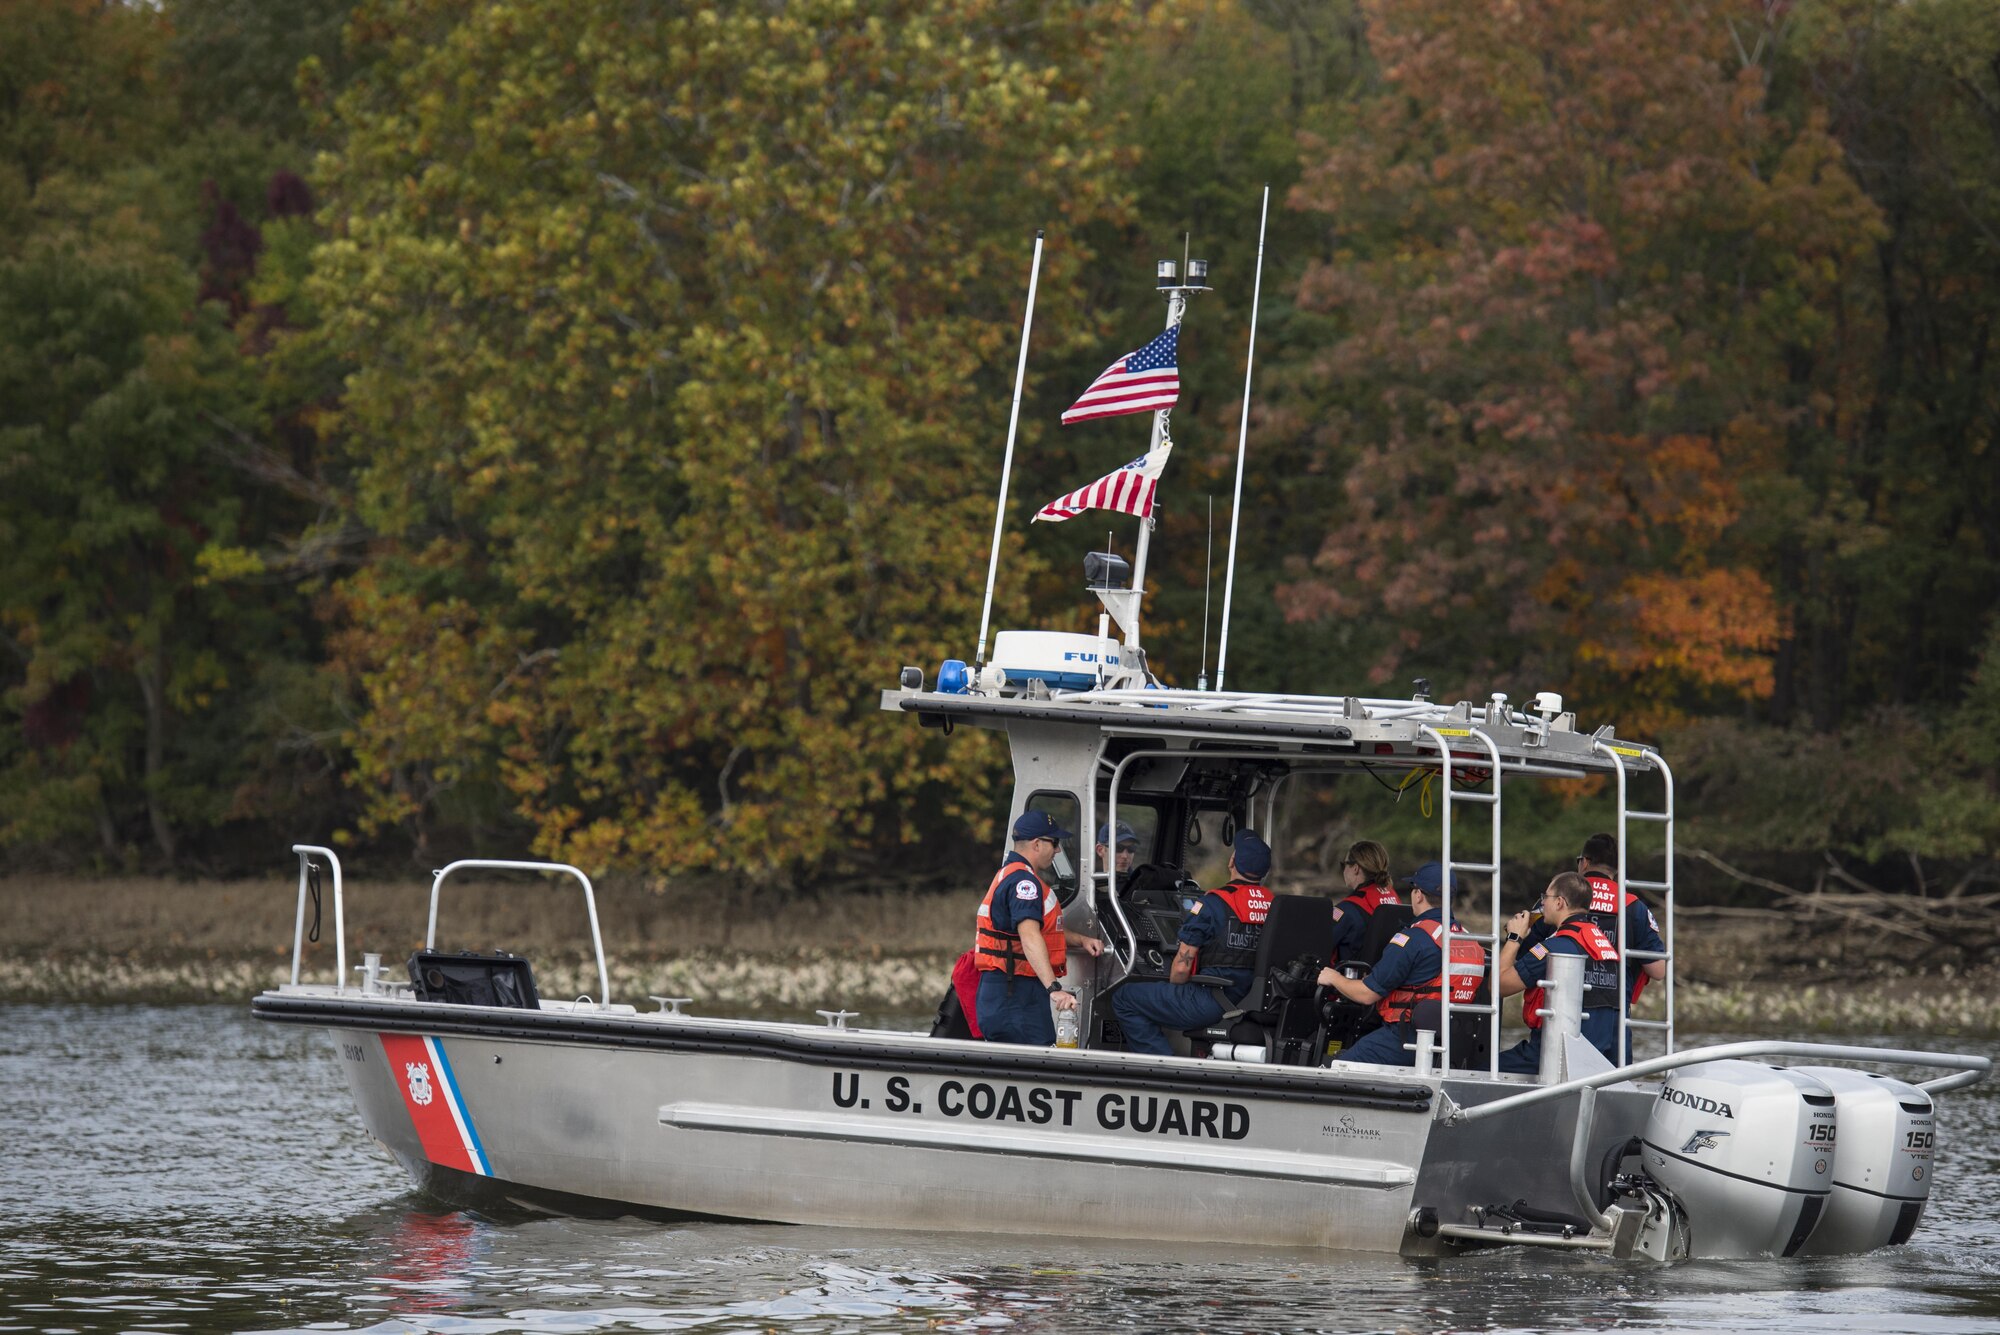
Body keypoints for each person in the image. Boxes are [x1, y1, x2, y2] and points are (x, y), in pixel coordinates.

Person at [1111, 830, 1274, 1056]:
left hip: (1211, 1001)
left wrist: (1173, 992)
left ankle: (1160, 1070)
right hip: (1255, 1002)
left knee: (1125, 998)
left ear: (1232, 862)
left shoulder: (1214, 903)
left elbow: (1181, 968)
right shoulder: (1274, 906)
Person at [1317, 862, 1485, 1065]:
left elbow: (1366, 994)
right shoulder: (1470, 941)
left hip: (1407, 1039)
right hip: (1452, 1044)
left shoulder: (1413, 940)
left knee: (1337, 1065)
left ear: (1418, 895)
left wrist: (1334, 978)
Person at [973, 811, 1103, 1045]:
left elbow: (1043, 932)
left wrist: (1081, 940)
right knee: (1037, 1058)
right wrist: (1054, 988)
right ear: (1037, 844)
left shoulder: (1010, 874)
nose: (1058, 850)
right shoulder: (1025, 884)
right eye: (1055, 843)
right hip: (1015, 996)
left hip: (1008, 994)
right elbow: (1029, 936)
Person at [1495, 872, 1621, 1072]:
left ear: (1560, 902)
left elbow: (1498, 986)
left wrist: (1514, 937)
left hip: (1552, 1056)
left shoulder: (1552, 948)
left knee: (1480, 1068)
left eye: (1546, 897)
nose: (1542, 903)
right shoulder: (1603, 946)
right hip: (1597, 1059)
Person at [1328, 839, 1402, 964]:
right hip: (1387, 976)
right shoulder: (1394, 899)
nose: (1343, 871)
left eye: (1343, 865)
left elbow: (1320, 943)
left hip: (1350, 979)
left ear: (1355, 868)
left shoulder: (1347, 910)